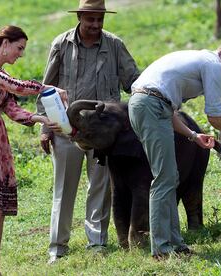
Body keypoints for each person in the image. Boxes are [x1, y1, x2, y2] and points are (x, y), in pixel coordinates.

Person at [35, 0, 140, 264]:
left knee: (101, 187)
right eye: (90, 19)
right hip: (67, 127)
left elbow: (133, 81)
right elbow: (47, 87)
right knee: (64, 188)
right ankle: (57, 247)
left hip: (104, 131)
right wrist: (45, 128)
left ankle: (97, 242)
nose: (95, 25)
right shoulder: (62, 43)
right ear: (80, 16)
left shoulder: (114, 44)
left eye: (99, 20)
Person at [0, 25, 67, 276]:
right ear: (5, 43)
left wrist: (40, 119)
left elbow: (13, 109)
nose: (21, 54)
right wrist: (47, 88)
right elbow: (14, 85)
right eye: (19, 48)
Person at [128, 41, 221, 260]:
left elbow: (169, 108)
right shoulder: (212, 63)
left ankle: (175, 243)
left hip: (150, 105)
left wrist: (193, 135)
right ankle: (162, 248)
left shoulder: (197, 62)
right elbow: (213, 114)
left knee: (170, 177)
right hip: (149, 106)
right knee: (164, 179)